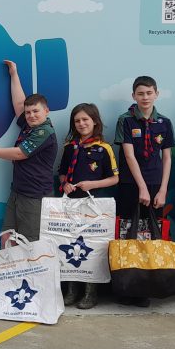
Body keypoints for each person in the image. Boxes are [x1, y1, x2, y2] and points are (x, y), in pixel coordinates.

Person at [0, 59, 57, 242]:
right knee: (7, 236)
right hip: (18, 191)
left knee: (29, 241)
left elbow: (20, 153)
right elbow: (20, 104)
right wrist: (14, 74)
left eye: (36, 111)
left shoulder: (45, 131)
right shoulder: (28, 125)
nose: (31, 115)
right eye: (29, 113)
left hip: (35, 196)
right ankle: (9, 270)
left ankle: (31, 272)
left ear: (46, 111)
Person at [113, 76, 175, 307]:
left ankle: (148, 285)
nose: (145, 97)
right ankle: (127, 287)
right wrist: (141, 187)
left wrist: (162, 189)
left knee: (151, 235)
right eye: (141, 93)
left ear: (156, 94)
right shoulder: (125, 120)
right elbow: (128, 155)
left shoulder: (165, 123)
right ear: (134, 96)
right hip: (131, 185)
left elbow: (167, 158)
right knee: (128, 233)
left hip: (156, 185)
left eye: (149, 93)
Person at [56, 103, 119, 309]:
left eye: (85, 119)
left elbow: (114, 178)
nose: (81, 123)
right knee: (69, 245)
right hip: (71, 206)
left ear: (95, 122)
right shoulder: (69, 147)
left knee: (90, 248)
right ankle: (71, 290)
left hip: (94, 208)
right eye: (77, 121)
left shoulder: (104, 148)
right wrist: (64, 183)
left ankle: (90, 293)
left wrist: (93, 184)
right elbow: (63, 172)